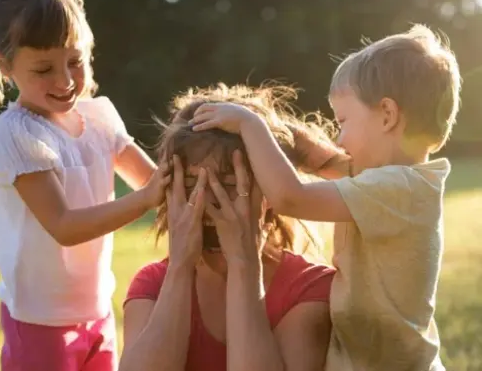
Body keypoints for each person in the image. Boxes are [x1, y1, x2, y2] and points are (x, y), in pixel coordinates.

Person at [0, 0, 167, 371]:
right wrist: (145, 201)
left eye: (75, 61)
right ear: (5, 66)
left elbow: (157, 181)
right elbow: (64, 225)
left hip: (97, 310)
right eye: (43, 69)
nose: (66, 80)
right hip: (39, 321)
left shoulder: (100, 118)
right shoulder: (16, 133)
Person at [190, 25, 461, 370]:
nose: (339, 135)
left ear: (387, 115)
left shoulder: (399, 189)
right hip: (363, 355)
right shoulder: (391, 181)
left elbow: (291, 198)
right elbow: (326, 160)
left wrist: (250, 125)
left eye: (343, 120)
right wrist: (279, 130)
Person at [119, 85, 335, 371]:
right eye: (190, 184)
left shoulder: (310, 287)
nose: (205, 201)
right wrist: (180, 268)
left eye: (230, 185)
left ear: (269, 192)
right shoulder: (154, 285)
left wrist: (244, 266)